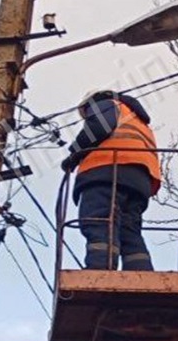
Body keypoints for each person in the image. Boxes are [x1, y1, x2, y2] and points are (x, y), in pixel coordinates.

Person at [60, 90, 161, 271]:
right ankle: (140, 272)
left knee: (99, 221)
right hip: (139, 180)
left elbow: (99, 127)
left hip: (106, 172)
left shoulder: (106, 105)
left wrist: (74, 154)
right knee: (129, 230)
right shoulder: (138, 120)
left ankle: (99, 268)